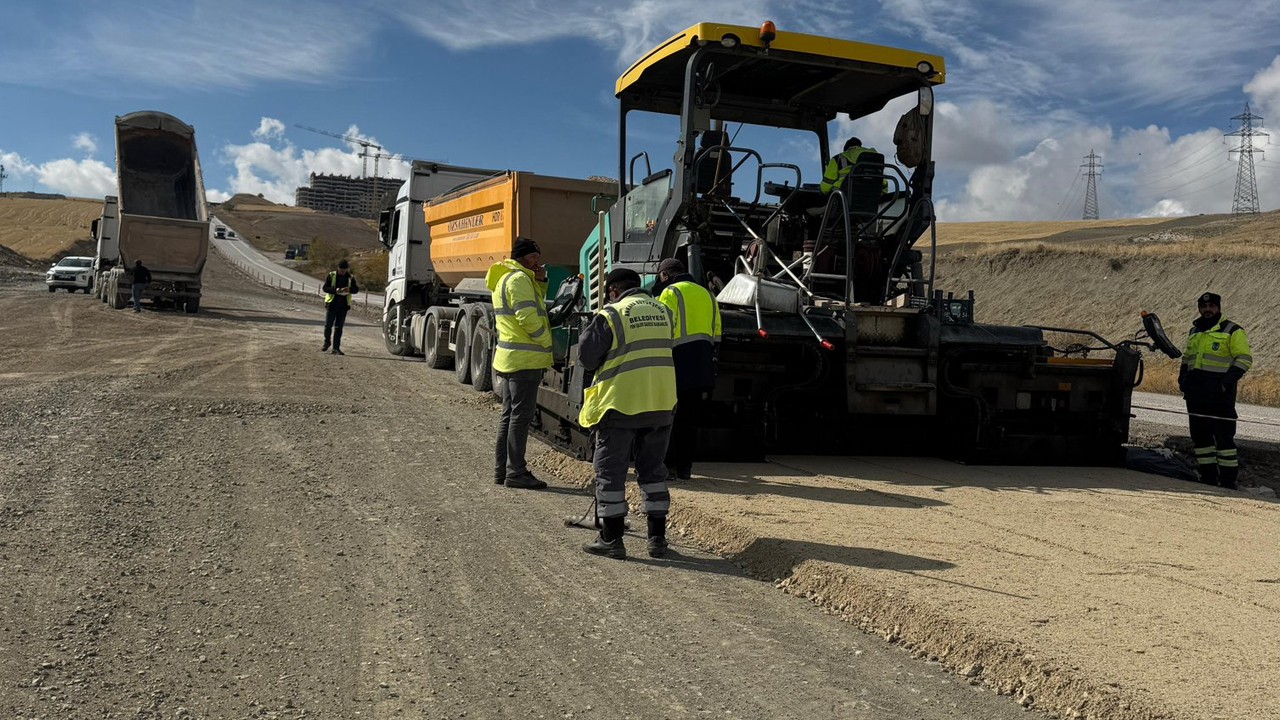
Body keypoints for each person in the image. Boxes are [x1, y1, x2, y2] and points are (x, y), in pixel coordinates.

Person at [577, 268, 677, 560]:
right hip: (660, 402)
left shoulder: (611, 314)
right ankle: (657, 539)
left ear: (614, 290)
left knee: (610, 471)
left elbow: (586, 356)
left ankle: (611, 538)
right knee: (653, 472)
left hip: (621, 403)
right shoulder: (665, 311)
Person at [486, 237, 552, 490]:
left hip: (511, 356)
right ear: (522, 256)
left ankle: (502, 471)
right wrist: (546, 342)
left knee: (509, 416)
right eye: (534, 256)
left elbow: (531, 303)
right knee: (520, 418)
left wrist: (541, 281)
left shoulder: (507, 277)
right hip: (525, 359)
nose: (538, 260)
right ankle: (516, 472)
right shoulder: (519, 279)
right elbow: (528, 316)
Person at [654, 258, 721, 481]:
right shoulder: (707, 294)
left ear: (665, 275)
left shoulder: (670, 292)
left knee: (668, 419)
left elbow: (662, 328)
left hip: (675, 363)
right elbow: (717, 333)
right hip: (701, 364)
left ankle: (668, 467)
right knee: (689, 421)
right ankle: (685, 469)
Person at [1178, 292, 1252, 489]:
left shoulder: (1232, 330)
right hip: (1195, 395)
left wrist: (1224, 383)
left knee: (1224, 440)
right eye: (1204, 306)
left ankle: (1228, 482)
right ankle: (1208, 479)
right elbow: (1187, 359)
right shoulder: (1194, 331)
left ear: (1218, 307)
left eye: (1211, 306)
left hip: (1220, 397)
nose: (1207, 309)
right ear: (1199, 309)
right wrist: (1183, 380)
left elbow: (1244, 359)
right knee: (1200, 439)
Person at [819, 136, 884, 194]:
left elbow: (825, 187)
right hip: (872, 199)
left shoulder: (838, 159)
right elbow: (884, 185)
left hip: (843, 200)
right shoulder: (874, 159)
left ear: (846, 149)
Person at [321, 259, 359, 355]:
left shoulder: (350, 277)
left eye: (344, 269)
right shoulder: (331, 275)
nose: (343, 271)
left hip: (343, 306)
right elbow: (325, 288)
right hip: (332, 304)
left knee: (339, 328)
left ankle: (336, 348)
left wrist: (349, 289)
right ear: (338, 268)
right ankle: (327, 342)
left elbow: (356, 289)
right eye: (341, 269)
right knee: (328, 325)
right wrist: (336, 290)